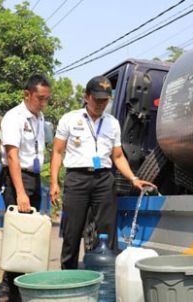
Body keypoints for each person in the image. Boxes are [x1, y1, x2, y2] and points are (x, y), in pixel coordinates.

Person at [50, 75, 155, 270]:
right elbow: (57, 151)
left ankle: (106, 277)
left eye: (105, 100)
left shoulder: (113, 123)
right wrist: (54, 182)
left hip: (104, 180)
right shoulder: (70, 119)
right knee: (72, 232)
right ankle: (68, 276)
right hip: (77, 179)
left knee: (107, 232)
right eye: (97, 99)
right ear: (86, 97)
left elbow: (117, 156)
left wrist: (133, 178)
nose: (100, 104)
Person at [0, 74, 51, 302]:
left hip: (34, 177)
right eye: (40, 98)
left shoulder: (40, 118)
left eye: (46, 99)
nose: (43, 103)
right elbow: (12, 155)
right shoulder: (14, 117)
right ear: (27, 95)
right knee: (19, 232)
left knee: (31, 233)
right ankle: (13, 291)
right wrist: (20, 192)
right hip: (16, 177)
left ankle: (25, 283)